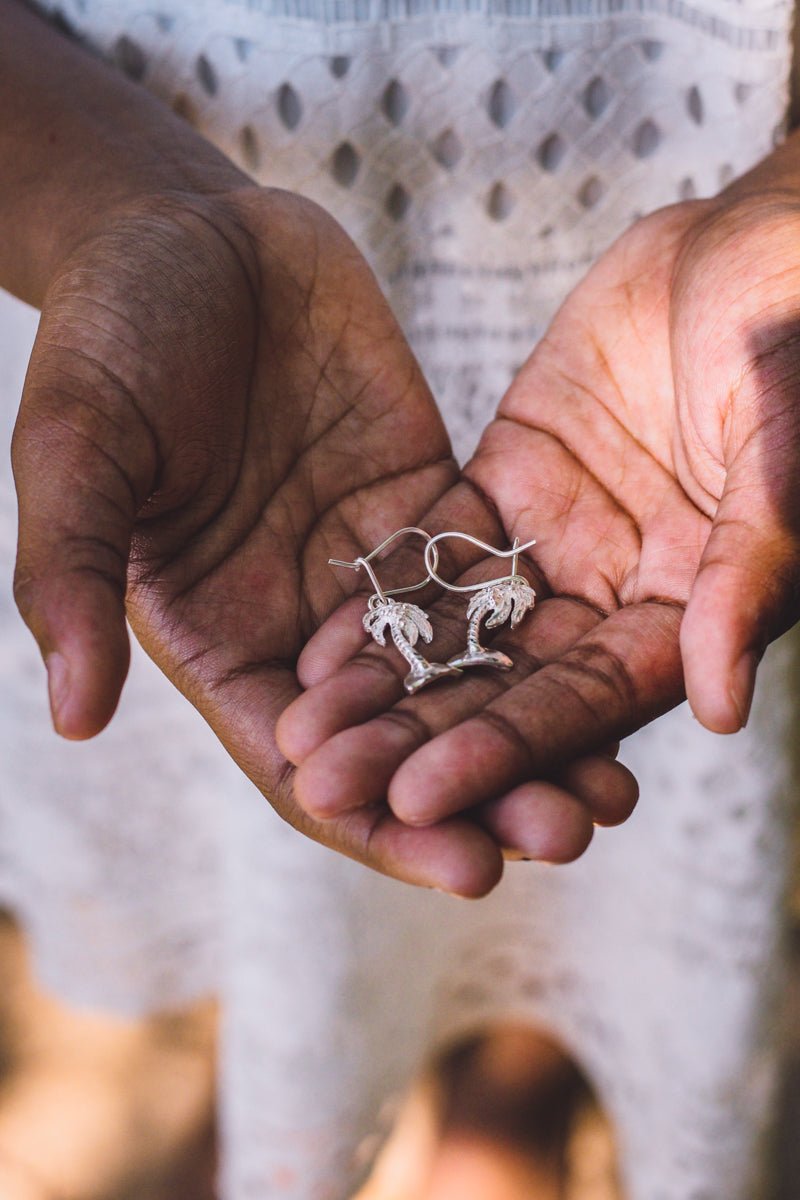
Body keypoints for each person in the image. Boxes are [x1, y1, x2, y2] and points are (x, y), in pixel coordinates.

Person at [0, 0, 797, 1195]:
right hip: (189, 302)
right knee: (251, 802)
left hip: (662, 367)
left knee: (605, 771)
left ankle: (510, 1081)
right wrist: (108, 205)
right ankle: (272, 1051)